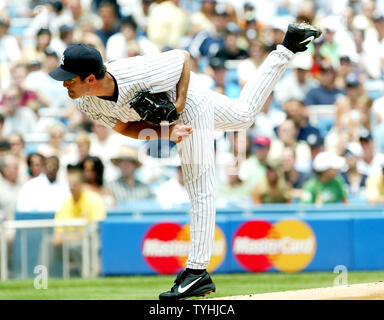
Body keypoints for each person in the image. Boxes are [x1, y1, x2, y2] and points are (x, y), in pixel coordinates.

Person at [48, 23, 321, 300]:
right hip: (176, 115)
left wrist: (177, 109)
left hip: (188, 101)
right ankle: (287, 48)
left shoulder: (134, 72)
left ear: (91, 78)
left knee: (199, 185)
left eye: (69, 78)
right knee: (244, 115)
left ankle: (197, 272)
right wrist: (167, 131)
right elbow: (123, 127)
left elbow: (182, 58)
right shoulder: (86, 101)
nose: (64, 83)